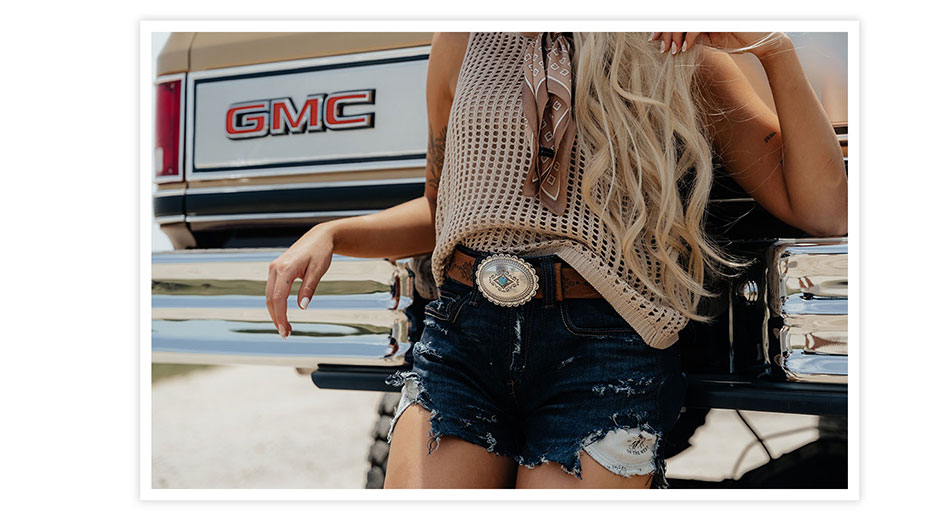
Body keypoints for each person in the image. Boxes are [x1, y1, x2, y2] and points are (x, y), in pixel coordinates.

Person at [264, 31, 848, 489]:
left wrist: (773, 49)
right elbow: (448, 209)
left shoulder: (675, 48)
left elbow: (825, 211)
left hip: (603, 353)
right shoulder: (460, 43)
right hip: (464, 337)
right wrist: (334, 232)